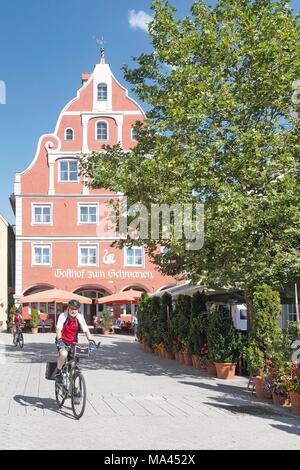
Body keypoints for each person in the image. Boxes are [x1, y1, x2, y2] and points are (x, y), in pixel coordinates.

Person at [55, 299, 94, 384]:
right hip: (62, 340)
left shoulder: (80, 317)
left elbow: (86, 330)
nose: (73, 310)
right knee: (64, 354)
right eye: (72, 308)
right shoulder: (63, 316)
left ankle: (76, 392)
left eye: (75, 309)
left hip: (73, 342)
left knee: (74, 366)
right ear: (68, 308)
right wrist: (60, 341)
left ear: (78, 309)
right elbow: (58, 330)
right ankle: (58, 372)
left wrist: (91, 341)